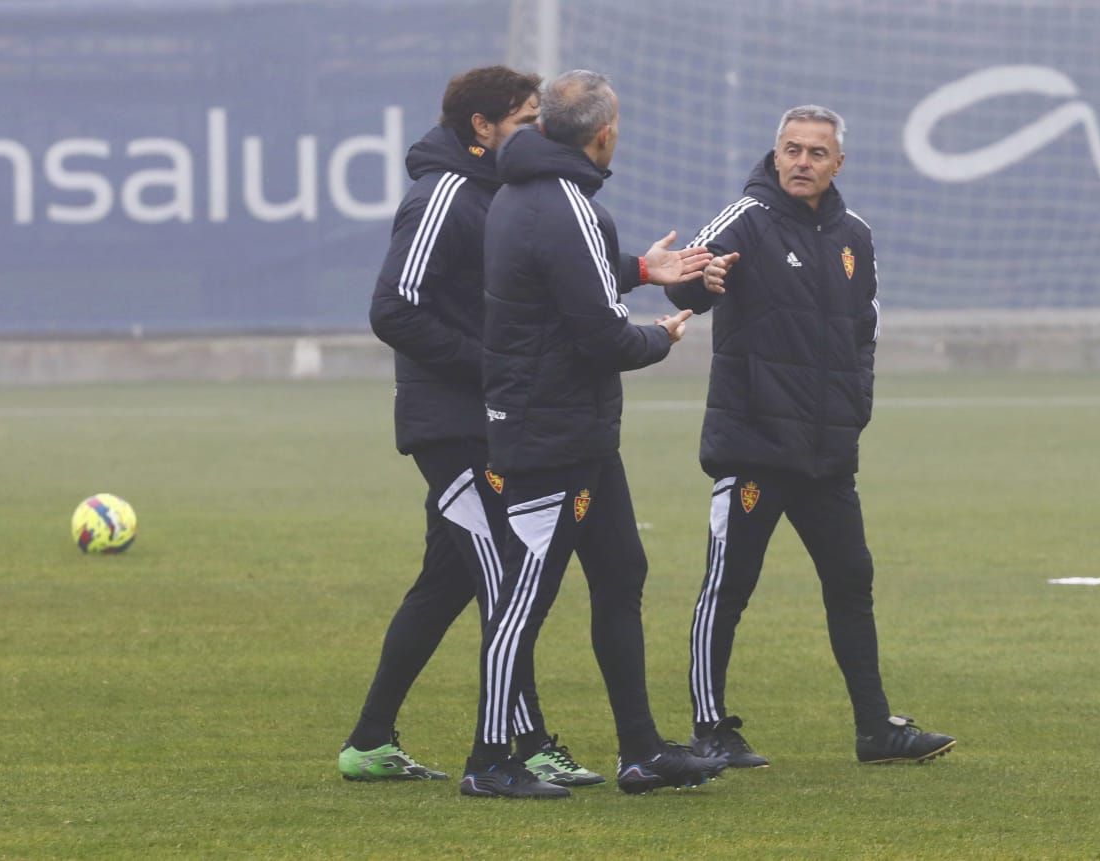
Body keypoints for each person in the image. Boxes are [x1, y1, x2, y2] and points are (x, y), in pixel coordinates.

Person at [341, 66, 709, 788]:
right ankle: (518, 744)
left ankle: (369, 738)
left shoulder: (510, 194)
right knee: (505, 580)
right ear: (482, 126)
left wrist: (636, 267)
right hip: (456, 422)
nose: (540, 126)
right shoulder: (443, 194)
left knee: (454, 580)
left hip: (510, 408)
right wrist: (495, 367)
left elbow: (544, 279)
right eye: (525, 115)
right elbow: (394, 310)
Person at [666, 105, 956, 768]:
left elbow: (865, 333)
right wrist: (698, 278)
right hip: (755, 445)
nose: (801, 161)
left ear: (838, 163)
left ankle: (875, 729)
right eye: (791, 149)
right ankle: (710, 728)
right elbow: (688, 277)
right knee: (729, 584)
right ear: (775, 154)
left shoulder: (854, 234)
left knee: (852, 580)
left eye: (815, 152)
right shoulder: (745, 217)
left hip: (826, 452)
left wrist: (855, 408)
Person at [464, 69, 727, 799]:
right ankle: (488, 760)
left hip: (568, 427)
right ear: (604, 133)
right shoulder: (568, 203)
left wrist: (643, 267)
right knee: (525, 599)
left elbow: (565, 279)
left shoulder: (519, 192)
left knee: (621, 573)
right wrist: (662, 335)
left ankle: (640, 752)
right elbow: (600, 336)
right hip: (553, 431)